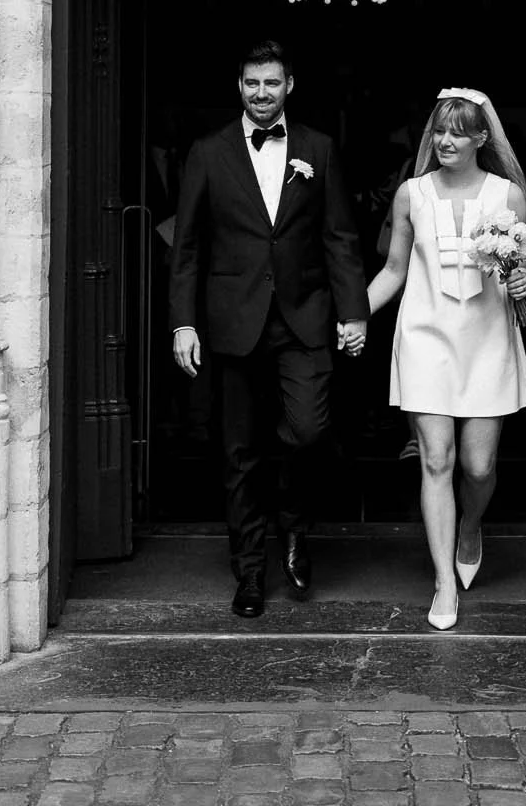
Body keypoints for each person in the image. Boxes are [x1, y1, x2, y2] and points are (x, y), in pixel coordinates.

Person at [169, 39, 368, 619]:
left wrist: (352, 310)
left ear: (289, 86)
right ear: (240, 86)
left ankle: (296, 526)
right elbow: (187, 248)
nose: (262, 93)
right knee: (239, 453)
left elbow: (340, 236)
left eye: (272, 83)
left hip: (303, 319)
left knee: (306, 430)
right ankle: (250, 572)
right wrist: (183, 322)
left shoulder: (318, 150)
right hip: (232, 324)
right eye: (253, 83)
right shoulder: (208, 153)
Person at [367, 86, 526, 630]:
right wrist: (346, 314)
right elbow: (394, 269)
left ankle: (469, 528)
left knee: (478, 466)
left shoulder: (508, 196)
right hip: (425, 337)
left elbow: (518, 278)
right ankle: (444, 582)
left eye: (458, 131)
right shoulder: (410, 194)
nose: (445, 140)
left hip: (486, 339)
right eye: (439, 130)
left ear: (482, 138)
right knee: (435, 459)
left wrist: (522, 282)